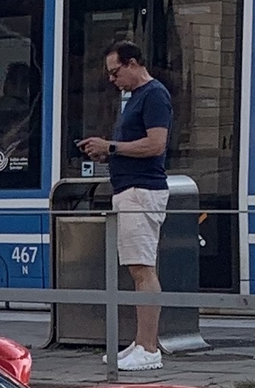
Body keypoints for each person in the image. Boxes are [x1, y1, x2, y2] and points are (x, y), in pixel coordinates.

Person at [79, 40, 186, 369]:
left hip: (142, 190)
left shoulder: (153, 95)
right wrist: (108, 151)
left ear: (132, 63)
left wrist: (110, 147)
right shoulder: (138, 98)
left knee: (142, 269)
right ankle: (141, 342)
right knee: (137, 268)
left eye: (115, 72)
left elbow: (156, 144)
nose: (112, 80)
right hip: (130, 188)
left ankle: (149, 349)